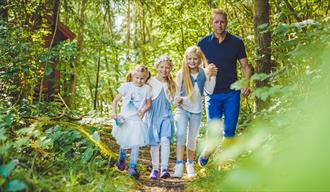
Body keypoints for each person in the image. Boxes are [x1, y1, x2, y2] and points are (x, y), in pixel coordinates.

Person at [197, 8, 252, 166]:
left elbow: (245, 66)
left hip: (231, 94)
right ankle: (206, 155)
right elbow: (196, 69)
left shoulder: (237, 42)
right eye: (216, 22)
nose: (219, 25)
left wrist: (246, 83)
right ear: (211, 23)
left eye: (222, 22)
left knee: (229, 134)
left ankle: (224, 165)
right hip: (212, 94)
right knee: (213, 135)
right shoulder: (203, 43)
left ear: (226, 23)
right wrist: (205, 71)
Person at [172, 46, 216, 178]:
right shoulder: (181, 74)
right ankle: (179, 164)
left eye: (195, 59)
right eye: (189, 59)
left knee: (192, 139)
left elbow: (210, 91)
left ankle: (189, 164)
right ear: (185, 59)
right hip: (182, 109)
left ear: (199, 59)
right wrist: (177, 100)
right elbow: (175, 94)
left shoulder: (203, 72)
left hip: (196, 111)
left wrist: (212, 76)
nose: (192, 61)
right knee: (180, 134)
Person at [111, 65, 152, 178]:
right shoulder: (126, 86)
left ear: (146, 78)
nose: (139, 81)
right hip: (125, 120)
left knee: (135, 144)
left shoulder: (147, 89)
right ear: (133, 76)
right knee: (124, 143)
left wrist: (143, 110)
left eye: (142, 78)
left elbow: (149, 103)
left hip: (137, 121)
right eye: (137, 78)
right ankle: (121, 161)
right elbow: (115, 100)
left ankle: (132, 167)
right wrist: (113, 113)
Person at [144, 55, 176, 180]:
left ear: (170, 69)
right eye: (162, 67)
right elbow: (143, 95)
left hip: (166, 115)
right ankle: (155, 168)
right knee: (155, 143)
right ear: (157, 67)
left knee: (165, 140)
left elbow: (173, 100)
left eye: (167, 67)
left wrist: (178, 101)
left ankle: (164, 168)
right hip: (152, 115)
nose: (164, 70)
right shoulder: (150, 81)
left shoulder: (171, 83)